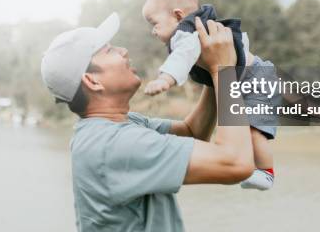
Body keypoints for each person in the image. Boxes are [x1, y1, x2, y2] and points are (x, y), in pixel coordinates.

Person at [40, 12, 254, 231]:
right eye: (110, 50)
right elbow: (236, 162)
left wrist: (210, 72)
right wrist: (224, 70)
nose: (123, 51)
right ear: (92, 80)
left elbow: (193, 132)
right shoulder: (114, 144)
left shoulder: (115, 127)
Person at [142, 0, 280, 190]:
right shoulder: (197, 30)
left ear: (178, 15)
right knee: (250, 130)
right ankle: (260, 169)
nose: (153, 31)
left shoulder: (185, 35)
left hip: (256, 78)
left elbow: (182, 58)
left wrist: (165, 78)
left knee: (254, 131)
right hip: (251, 76)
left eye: (154, 23)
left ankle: (266, 172)